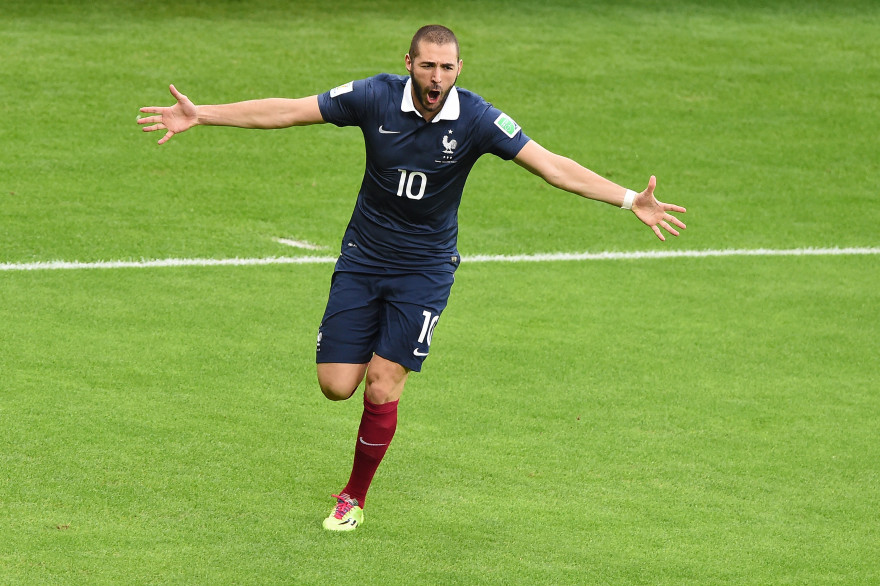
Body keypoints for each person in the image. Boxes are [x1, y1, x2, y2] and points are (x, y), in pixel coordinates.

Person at [138, 24, 686, 532]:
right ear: (409, 64)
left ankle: (352, 498)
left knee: (382, 381)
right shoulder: (373, 96)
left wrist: (627, 199)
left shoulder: (478, 119)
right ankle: (367, 375)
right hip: (363, 258)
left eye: (447, 69)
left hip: (424, 270)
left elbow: (551, 165)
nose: (437, 79)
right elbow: (288, 110)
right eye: (427, 67)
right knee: (335, 386)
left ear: (459, 69)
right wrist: (203, 114)